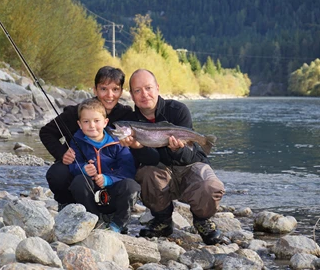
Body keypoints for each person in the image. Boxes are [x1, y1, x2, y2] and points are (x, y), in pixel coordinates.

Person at [120, 69, 226, 245]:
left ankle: (202, 220)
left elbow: (194, 157)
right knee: (145, 174)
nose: (144, 94)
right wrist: (137, 146)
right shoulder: (131, 120)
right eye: (137, 90)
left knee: (211, 185)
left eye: (148, 88)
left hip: (188, 166)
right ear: (131, 95)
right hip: (160, 172)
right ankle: (163, 220)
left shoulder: (178, 110)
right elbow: (150, 161)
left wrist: (178, 150)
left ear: (157, 88)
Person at [39, 66, 133, 211]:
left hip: (112, 170)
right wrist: (61, 153)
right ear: (95, 90)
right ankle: (67, 205)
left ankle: (116, 209)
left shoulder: (126, 114)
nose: (109, 95)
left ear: (121, 91)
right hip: (80, 167)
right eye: (103, 89)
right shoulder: (75, 113)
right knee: (57, 174)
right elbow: (46, 132)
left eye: (115, 89)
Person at [68, 98, 140, 233]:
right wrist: (82, 169)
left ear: (105, 122)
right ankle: (94, 220)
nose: (91, 125)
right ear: (79, 124)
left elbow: (128, 169)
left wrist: (109, 179)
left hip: (113, 193)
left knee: (131, 186)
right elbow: (72, 166)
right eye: (86, 121)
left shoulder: (118, 142)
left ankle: (118, 224)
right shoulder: (76, 141)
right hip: (91, 195)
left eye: (96, 121)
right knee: (78, 181)